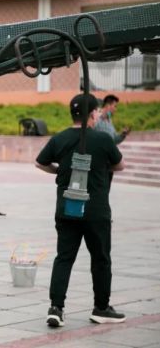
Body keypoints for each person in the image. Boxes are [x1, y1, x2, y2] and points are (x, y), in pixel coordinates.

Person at [35, 93, 126, 328]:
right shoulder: (103, 140)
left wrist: (59, 170)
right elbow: (120, 164)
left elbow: (40, 162)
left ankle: (56, 308)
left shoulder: (60, 139)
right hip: (96, 211)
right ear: (93, 113)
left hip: (67, 208)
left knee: (64, 257)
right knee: (101, 259)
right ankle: (101, 307)